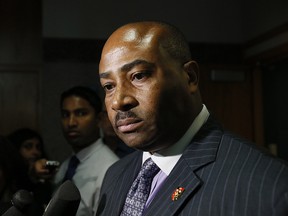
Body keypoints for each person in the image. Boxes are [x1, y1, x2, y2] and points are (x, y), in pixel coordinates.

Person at [96, 21, 288, 216]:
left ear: (190, 77)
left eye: (138, 76)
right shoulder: (115, 175)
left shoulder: (269, 186)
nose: (118, 101)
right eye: (109, 86)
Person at [53, 86, 119, 216]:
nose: (71, 123)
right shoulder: (68, 165)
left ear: (99, 119)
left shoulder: (110, 169)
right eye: (66, 115)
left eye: (81, 113)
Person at [7, 128, 53, 214]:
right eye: (28, 147)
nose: (35, 152)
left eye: (38, 147)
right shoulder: (9, 179)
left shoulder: (41, 180)